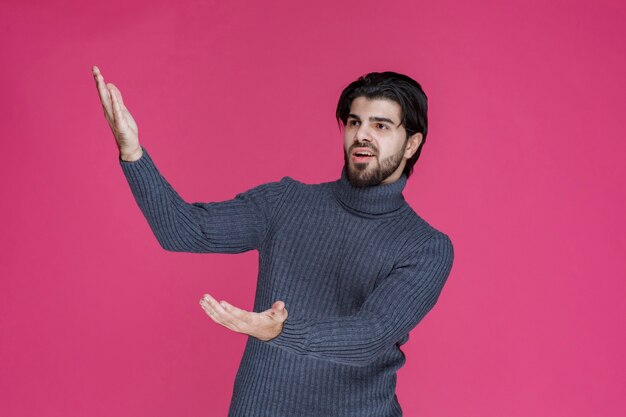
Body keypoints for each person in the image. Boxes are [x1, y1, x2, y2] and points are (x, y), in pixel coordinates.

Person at [93, 66, 454, 417]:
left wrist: (281, 331)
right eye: (355, 122)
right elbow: (184, 230)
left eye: (381, 126)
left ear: (412, 144)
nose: (362, 135)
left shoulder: (425, 247)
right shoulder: (285, 202)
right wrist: (133, 153)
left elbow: (369, 336)